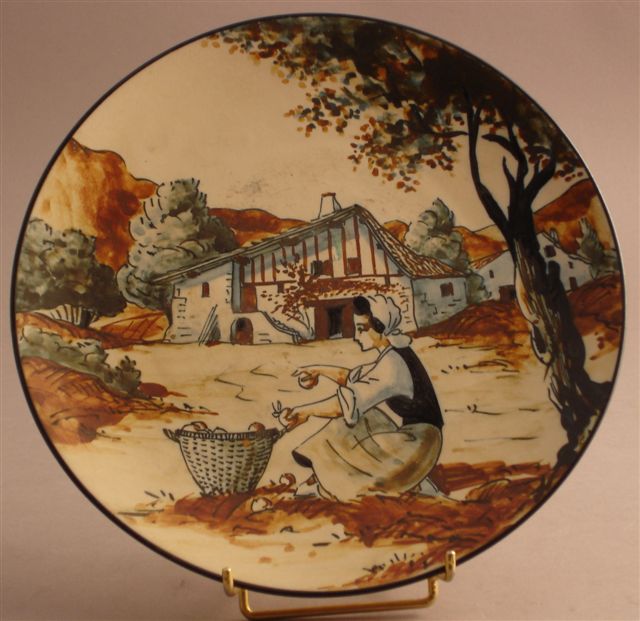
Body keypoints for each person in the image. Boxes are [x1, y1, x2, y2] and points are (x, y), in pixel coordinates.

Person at [274, 294, 444, 501]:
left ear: (381, 330)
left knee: (346, 417)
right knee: (360, 415)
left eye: (362, 329)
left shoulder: (392, 365)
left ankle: (326, 480)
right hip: (417, 440)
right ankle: (326, 474)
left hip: (419, 445)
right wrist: (318, 370)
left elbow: (344, 404)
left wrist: (304, 412)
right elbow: (355, 377)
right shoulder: (394, 354)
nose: (357, 336)